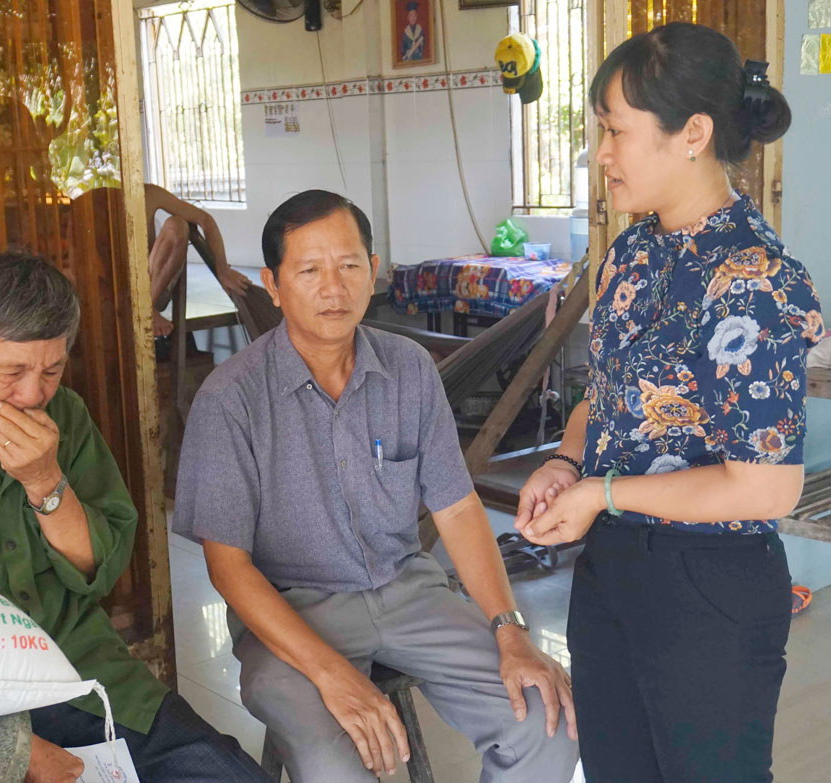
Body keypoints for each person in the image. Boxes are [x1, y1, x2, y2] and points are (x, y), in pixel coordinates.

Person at [173, 190, 578, 782]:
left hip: (409, 592)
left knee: (548, 718)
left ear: (373, 269)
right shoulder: (230, 399)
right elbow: (228, 568)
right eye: (309, 270)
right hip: (294, 612)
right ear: (273, 283)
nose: (333, 289)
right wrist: (331, 673)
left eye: (349, 266)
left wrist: (509, 629)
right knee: (335, 767)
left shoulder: (409, 368)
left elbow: (459, 508)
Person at [513, 23, 824, 783]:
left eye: (617, 130)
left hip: (709, 584)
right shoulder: (631, 252)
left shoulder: (754, 278)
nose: (603, 153)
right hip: (614, 567)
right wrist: (565, 460)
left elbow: (765, 485)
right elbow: (611, 395)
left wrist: (603, 490)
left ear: (693, 133)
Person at [0, 250, 271, 783]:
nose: (33, 394)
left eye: (51, 369)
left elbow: (104, 566)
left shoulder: (65, 413)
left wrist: (45, 482)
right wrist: (15, 748)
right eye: (13, 371)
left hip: (87, 678)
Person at [145, 183, 251, 337]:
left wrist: (222, 269)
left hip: (151, 287)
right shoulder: (100, 202)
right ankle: (144, 309)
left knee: (177, 224)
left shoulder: (149, 193)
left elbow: (206, 220)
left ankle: (147, 309)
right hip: (114, 292)